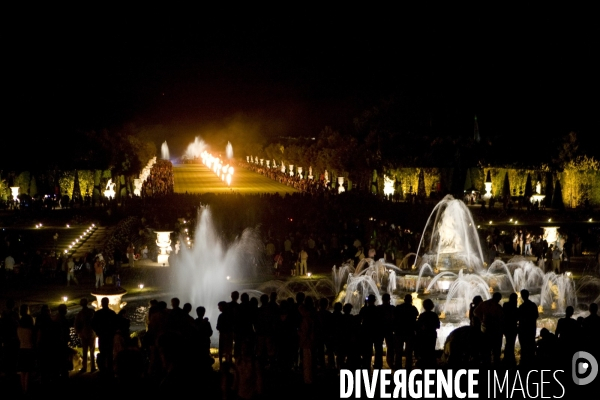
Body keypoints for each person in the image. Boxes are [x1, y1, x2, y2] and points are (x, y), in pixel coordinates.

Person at [473, 292, 504, 366]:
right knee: (493, 348)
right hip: (492, 330)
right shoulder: (496, 306)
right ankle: (493, 363)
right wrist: (482, 319)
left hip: (487, 329)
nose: (499, 300)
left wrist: (481, 319)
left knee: (488, 348)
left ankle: (488, 363)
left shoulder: (485, 304)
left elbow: (475, 312)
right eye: (498, 299)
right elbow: (475, 312)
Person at [91, 297, 117, 373]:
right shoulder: (112, 313)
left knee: (102, 352)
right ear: (108, 303)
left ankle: (103, 369)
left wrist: (97, 331)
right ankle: (110, 368)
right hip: (109, 336)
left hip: (102, 335)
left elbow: (93, 324)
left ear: (102, 303)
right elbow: (116, 324)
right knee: (109, 353)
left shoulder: (98, 313)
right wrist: (113, 332)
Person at [416, 299, 440, 368]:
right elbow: (438, 326)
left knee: (424, 350)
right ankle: (431, 364)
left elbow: (418, 326)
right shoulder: (434, 315)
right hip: (432, 335)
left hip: (423, 336)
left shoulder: (422, 315)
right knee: (431, 349)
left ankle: (424, 364)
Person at [517, 289, 538, 365]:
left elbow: (518, 317)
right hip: (531, 328)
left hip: (523, 329)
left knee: (524, 345)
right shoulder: (533, 305)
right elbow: (536, 316)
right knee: (531, 343)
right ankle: (531, 360)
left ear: (522, 296)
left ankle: (524, 361)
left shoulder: (522, 307)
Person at [75, 298, 96, 372]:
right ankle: (93, 367)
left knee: (85, 350)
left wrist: (79, 332)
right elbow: (95, 322)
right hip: (91, 332)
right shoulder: (91, 312)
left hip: (83, 333)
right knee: (92, 350)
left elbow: (76, 324)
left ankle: (84, 367)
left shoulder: (80, 313)